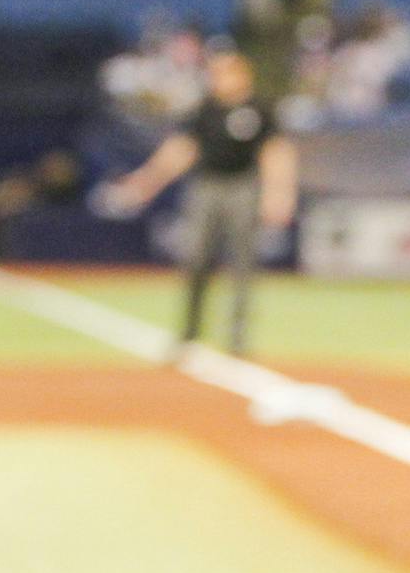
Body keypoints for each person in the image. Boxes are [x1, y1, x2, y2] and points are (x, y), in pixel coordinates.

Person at [103, 45, 296, 356]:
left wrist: (279, 193)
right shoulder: (204, 109)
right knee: (196, 259)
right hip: (207, 186)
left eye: (226, 72)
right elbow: (180, 149)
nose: (219, 79)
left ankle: (237, 340)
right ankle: (190, 334)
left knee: (242, 265)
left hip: (242, 187)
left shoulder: (259, 109)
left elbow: (275, 152)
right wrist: (147, 180)